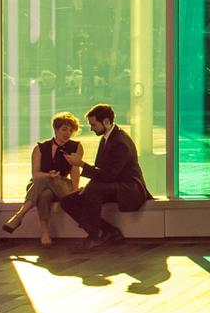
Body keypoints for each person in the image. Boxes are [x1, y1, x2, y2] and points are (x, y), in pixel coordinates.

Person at [62, 104, 151, 245]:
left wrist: (81, 164)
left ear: (106, 122)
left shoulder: (120, 142)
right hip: (115, 184)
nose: (91, 128)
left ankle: (93, 235)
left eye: (93, 125)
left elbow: (108, 175)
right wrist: (88, 185)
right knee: (67, 201)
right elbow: (101, 171)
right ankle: (108, 231)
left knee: (93, 191)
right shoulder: (107, 138)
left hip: (129, 188)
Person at [5, 112, 83, 246]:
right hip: (42, 185)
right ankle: (45, 233)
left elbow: (75, 170)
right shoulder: (40, 148)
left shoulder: (76, 146)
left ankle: (20, 214)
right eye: (64, 129)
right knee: (45, 193)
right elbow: (35, 174)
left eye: (71, 130)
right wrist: (48, 175)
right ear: (56, 129)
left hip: (63, 185)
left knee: (47, 180)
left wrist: (75, 190)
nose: (67, 133)